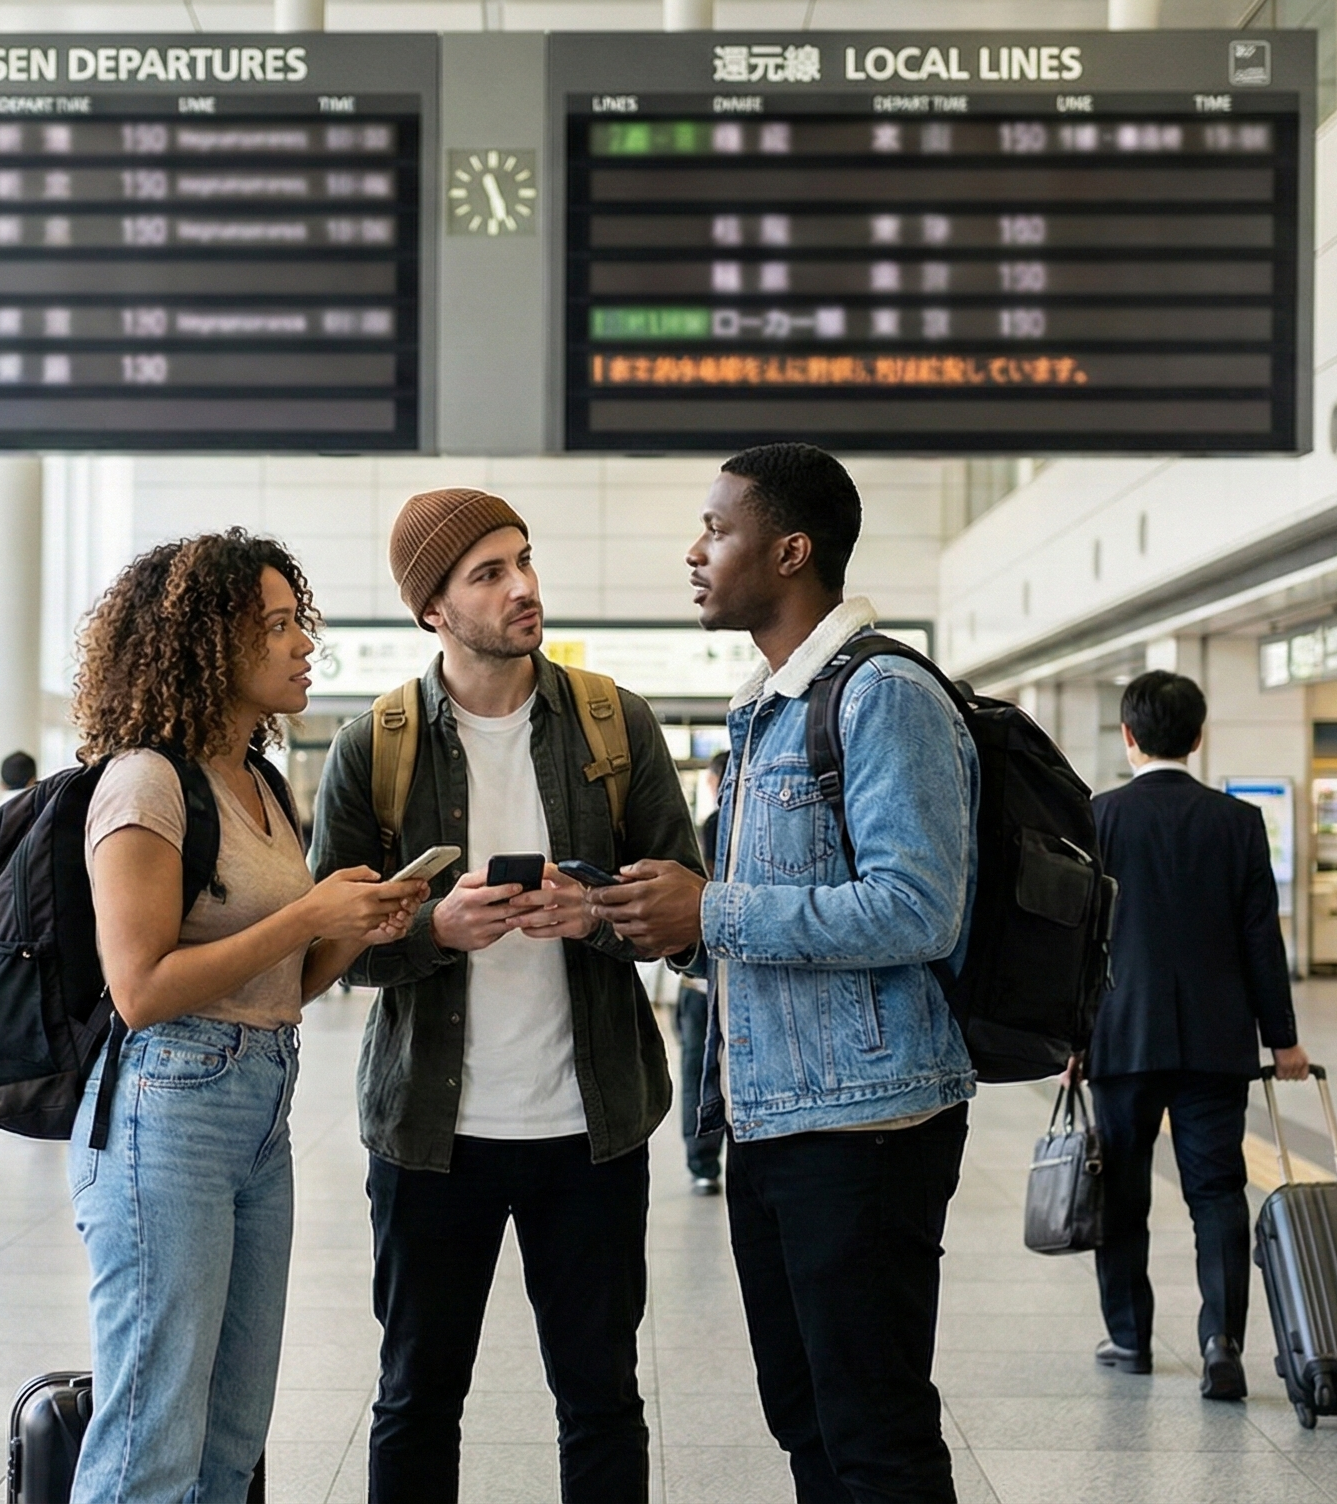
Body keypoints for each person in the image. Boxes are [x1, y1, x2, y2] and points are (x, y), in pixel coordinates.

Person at [589, 442, 980, 1502]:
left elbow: (916, 906)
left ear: (791, 550)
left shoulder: (883, 695)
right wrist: (674, 924)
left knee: (874, 1431)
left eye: (717, 529)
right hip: (773, 1115)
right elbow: (775, 916)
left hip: (868, 1124)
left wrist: (710, 905)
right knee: (807, 1416)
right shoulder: (763, 707)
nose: (695, 550)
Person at [308, 488, 702, 1504]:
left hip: (591, 1129)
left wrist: (600, 914)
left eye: (522, 559)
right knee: (415, 1401)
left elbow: (689, 913)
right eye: (488, 572)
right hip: (429, 1136)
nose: (522, 586)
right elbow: (327, 950)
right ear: (432, 608)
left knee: (602, 1400)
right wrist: (433, 931)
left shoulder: (614, 722)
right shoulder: (376, 745)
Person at [67, 529, 424, 1504]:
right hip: (166, 1105)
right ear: (204, 643)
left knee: (231, 1429)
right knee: (153, 1428)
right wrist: (308, 914)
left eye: (297, 621)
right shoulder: (144, 781)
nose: (302, 644)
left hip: (260, 1098)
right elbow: (139, 987)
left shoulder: (261, 783)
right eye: (276, 626)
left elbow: (279, 984)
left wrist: (351, 927)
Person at [1083, 671, 1309, 1402]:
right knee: (1216, 1193)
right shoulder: (1238, 823)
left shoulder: (1098, 817)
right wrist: (1283, 1040)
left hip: (1120, 1039)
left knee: (1121, 1193)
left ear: (1129, 736)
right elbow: (1259, 941)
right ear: (1198, 737)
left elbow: (1078, 940)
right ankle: (1222, 1342)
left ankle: (1130, 1337)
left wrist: (1069, 1037)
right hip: (1216, 1043)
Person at [673, 750, 729, 1197]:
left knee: (698, 1068)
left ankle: (703, 1163)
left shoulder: (713, 825)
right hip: (723, 971)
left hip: (703, 976)